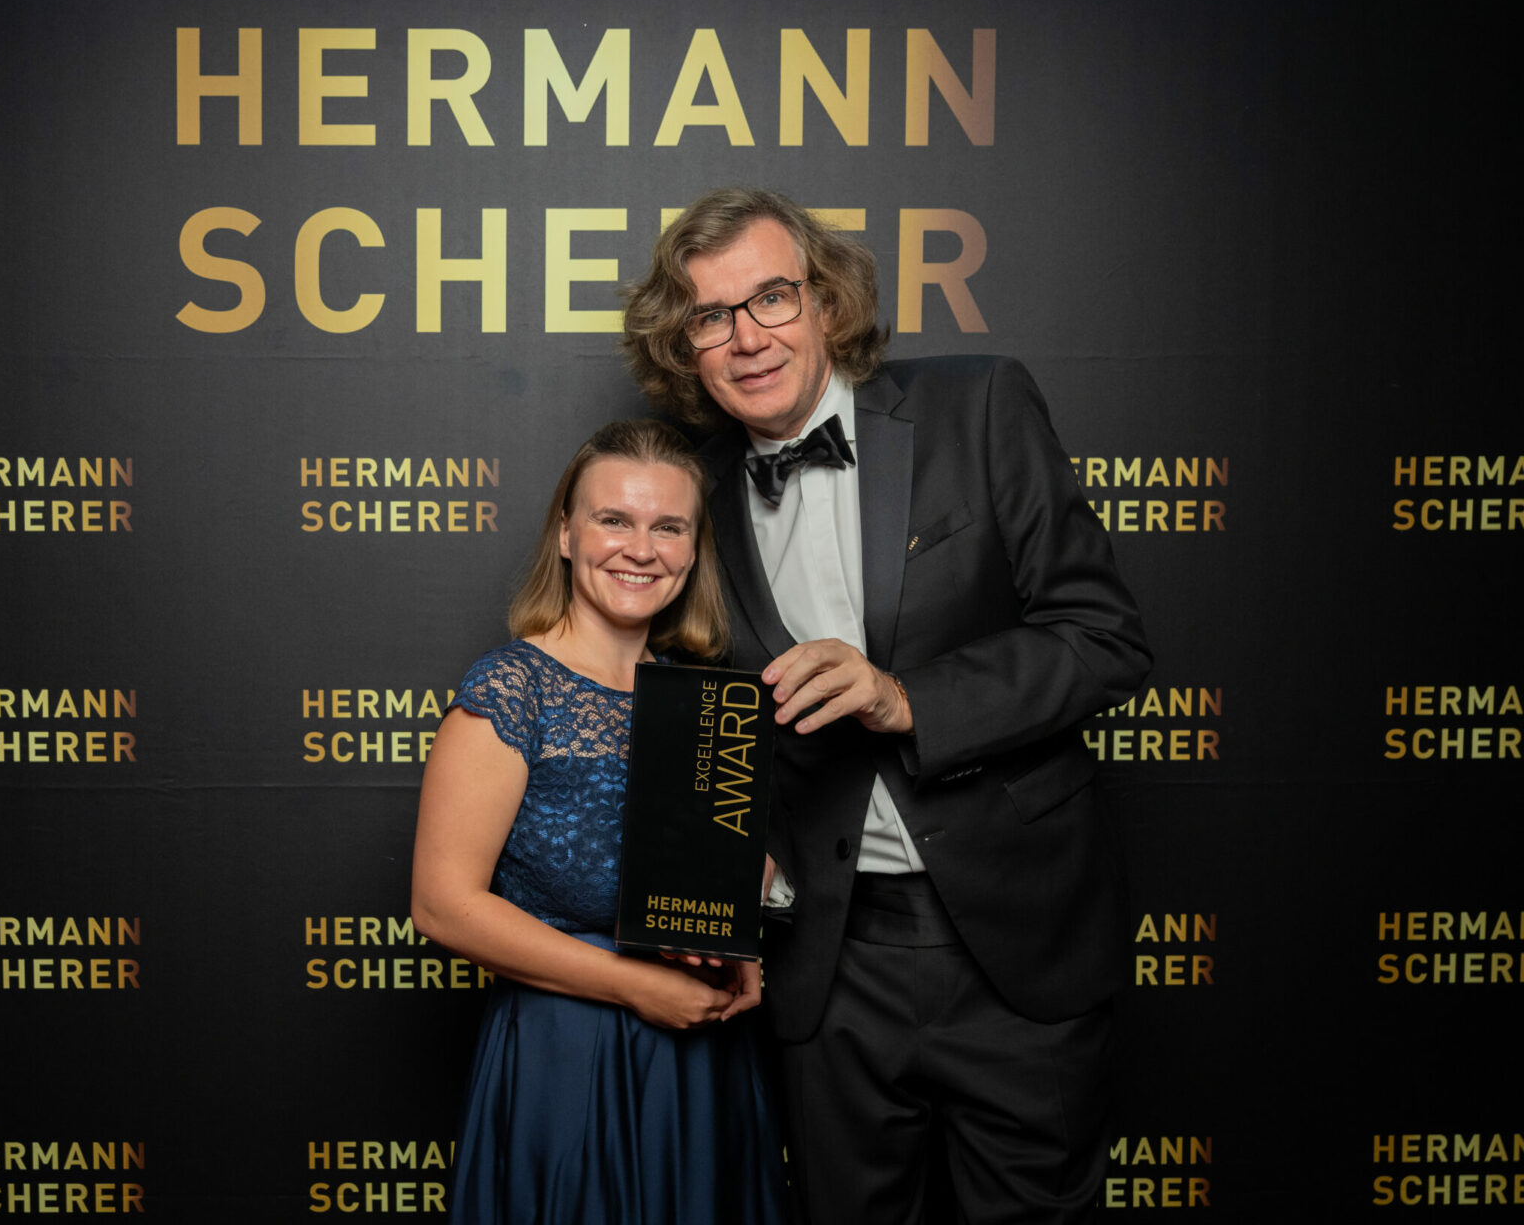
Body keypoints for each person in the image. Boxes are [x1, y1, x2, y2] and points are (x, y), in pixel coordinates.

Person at [620, 188, 1153, 1223]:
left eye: (772, 297)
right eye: (710, 316)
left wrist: (904, 697)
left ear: (826, 300)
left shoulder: (978, 405)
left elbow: (1104, 638)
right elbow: (702, 722)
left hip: (1015, 943)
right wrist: (723, 867)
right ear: (684, 348)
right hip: (827, 966)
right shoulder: (693, 502)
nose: (747, 336)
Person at [411, 419, 787, 1225]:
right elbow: (443, 905)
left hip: (702, 1056)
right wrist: (637, 987)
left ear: (693, 551)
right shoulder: (513, 689)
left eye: (668, 527)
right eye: (614, 519)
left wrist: (737, 929)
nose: (640, 549)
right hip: (568, 1054)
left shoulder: (703, 700)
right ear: (566, 534)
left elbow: (711, 875)